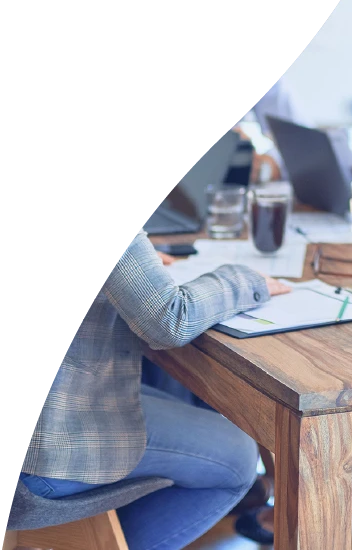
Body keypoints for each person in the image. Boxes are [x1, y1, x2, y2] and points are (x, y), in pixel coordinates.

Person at [17, 232, 292, 550]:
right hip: (41, 457)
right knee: (239, 456)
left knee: (178, 396)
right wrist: (247, 279)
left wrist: (135, 264)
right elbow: (170, 318)